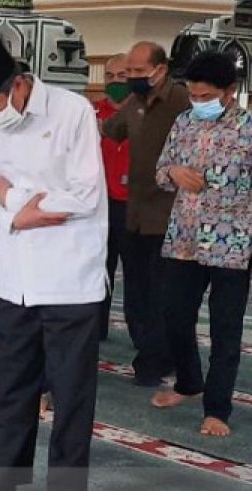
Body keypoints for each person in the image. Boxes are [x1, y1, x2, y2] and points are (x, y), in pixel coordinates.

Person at [0, 39, 107, 491]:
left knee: (70, 393)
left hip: (70, 277)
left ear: (17, 84)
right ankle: (1, 479)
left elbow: (83, 193)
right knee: (9, 382)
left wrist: (12, 196)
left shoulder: (71, 111)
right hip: (16, 273)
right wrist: (20, 216)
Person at [151, 51, 252, 437]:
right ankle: (189, 382)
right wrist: (174, 171)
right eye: (193, 95)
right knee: (174, 315)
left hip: (233, 242)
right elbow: (162, 172)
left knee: (226, 329)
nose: (199, 102)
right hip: (185, 239)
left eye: (206, 96)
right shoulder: (184, 122)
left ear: (230, 91)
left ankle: (217, 410)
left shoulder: (247, 127)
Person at [101, 41, 191, 386]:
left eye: (138, 72)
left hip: (170, 215)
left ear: (161, 69)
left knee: (160, 293)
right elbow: (109, 130)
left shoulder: (180, 102)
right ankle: (153, 354)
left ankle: (159, 359)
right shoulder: (135, 102)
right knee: (138, 293)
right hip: (135, 212)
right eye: (128, 72)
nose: (132, 78)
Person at [93, 54, 131, 341]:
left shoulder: (144, 113)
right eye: (110, 76)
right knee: (97, 270)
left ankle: (144, 337)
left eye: (122, 76)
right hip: (99, 205)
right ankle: (95, 329)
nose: (115, 82)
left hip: (134, 207)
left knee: (139, 278)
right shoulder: (92, 114)